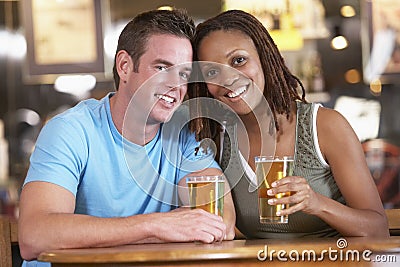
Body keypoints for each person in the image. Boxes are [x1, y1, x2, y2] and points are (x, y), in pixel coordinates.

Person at [18, 9, 235, 266]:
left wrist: (169, 228)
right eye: (162, 67)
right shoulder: (70, 130)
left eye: (184, 74)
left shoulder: (184, 135)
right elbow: (34, 236)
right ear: (124, 66)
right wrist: (156, 227)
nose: (175, 87)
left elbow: (219, 220)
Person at [188, 9, 388, 238]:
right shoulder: (217, 139)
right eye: (212, 71)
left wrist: (316, 203)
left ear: (264, 58)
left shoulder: (324, 126)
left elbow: (377, 228)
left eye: (239, 60)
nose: (228, 78)